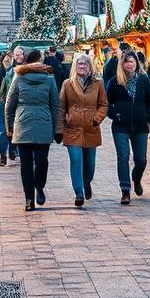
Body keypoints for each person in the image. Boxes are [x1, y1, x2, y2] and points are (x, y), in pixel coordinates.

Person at [6, 50, 60, 211]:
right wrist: (9, 127)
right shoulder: (20, 77)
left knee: (39, 162)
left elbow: (55, 105)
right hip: (26, 123)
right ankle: (29, 199)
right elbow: (10, 104)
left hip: (38, 122)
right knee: (29, 163)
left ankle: (39, 186)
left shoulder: (48, 79)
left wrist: (55, 128)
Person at [106, 50, 150, 205]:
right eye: (126, 61)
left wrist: (148, 117)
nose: (129, 64)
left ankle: (136, 178)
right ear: (122, 64)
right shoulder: (114, 82)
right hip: (121, 126)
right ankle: (125, 190)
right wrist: (115, 114)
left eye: (132, 61)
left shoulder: (143, 79)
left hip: (140, 126)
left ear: (136, 63)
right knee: (123, 156)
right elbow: (106, 103)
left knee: (141, 160)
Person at [58, 52, 107, 208]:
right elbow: (61, 107)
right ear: (75, 66)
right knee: (76, 160)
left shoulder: (98, 84)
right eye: (79, 64)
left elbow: (103, 105)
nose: (82, 66)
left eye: (85, 64)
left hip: (91, 129)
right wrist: (59, 129)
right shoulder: (67, 84)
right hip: (72, 129)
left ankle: (87, 182)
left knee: (90, 165)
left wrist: (96, 118)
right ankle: (78, 192)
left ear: (89, 66)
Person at [0, 49, 20, 165]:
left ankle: (12, 150)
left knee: (14, 129)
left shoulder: (17, 71)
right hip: (2, 103)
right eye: (6, 57)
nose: (8, 59)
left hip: (15, 104)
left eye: (11, 57)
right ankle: (3, 154)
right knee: (2, 130)